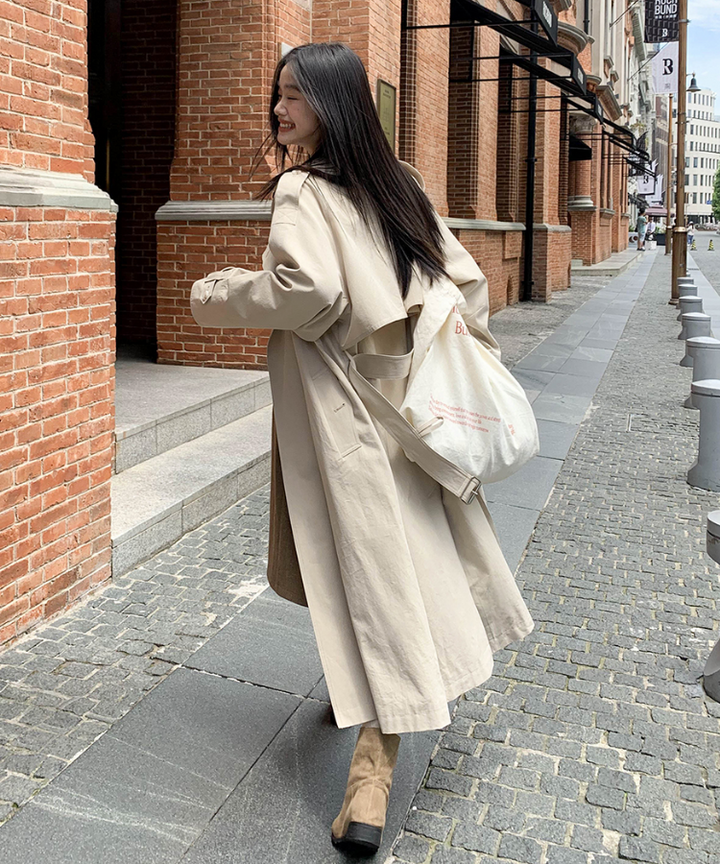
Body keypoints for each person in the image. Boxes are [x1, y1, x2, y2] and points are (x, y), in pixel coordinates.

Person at [190, 42, 533, 855]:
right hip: (408, 414)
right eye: (278, 95)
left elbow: (309, 292)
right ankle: (360, 682)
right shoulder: (400, 182)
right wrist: (427, 363)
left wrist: (218, 294)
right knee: (378, 567)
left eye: (295, 96)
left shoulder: (303, 189)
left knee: (378, 583)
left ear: (333, 102)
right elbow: (468, 285)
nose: (280, 110)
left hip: (345, 419)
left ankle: (370, 779)